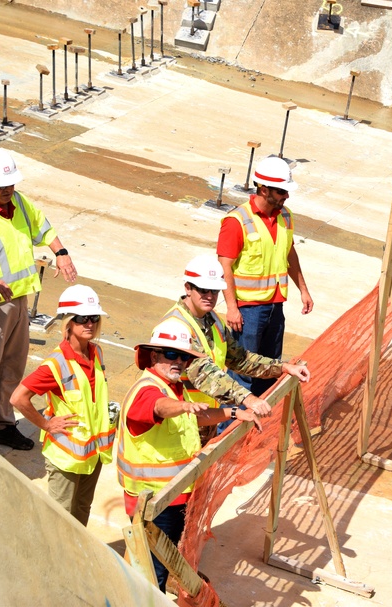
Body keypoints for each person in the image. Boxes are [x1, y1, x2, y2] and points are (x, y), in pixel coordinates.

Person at [116, 318, 261, 592]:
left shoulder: (172, 386)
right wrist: (181, 406)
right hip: (155, 503)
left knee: (161, 564)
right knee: (151, 573)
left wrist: (233, 412)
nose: (179, 362)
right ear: (155, 356)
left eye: (183, 357)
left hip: (173, 496)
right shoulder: (150, 390)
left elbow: (198, 416)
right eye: (172, 355)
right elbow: (159, 408)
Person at [0, 147, 78, 450]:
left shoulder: (17, 202)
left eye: (11, 184)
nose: (8, 190)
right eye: (1, 187)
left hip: (19, 301)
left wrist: (62, 253)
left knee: (13, 367)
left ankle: (2, 424)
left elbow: (43, 225)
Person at [161, 254, 310, 427]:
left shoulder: (212, 320)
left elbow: (240, 358)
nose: (210, 296)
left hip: (203, 419)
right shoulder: (175, 328)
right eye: (203, 290)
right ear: (188, 288)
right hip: (177, 424)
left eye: (215, 291)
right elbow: (205, 374)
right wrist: (247, 398)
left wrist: (283, 367)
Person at [8, 285, 112, 525]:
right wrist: (46, 424)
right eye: (82, 319)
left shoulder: (97, 353)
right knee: (59, 520)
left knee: (81, 512)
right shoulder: (56, 363)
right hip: (66, 458)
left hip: (92, 455)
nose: (90, 324)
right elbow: (18, 398)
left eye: (94, 318)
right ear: (68, 323)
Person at [217, 155, 313, 396]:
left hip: (274, 308)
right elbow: (224, 267)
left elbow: (290, 254)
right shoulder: (237, 221)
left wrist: (303, 290)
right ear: (263, 188)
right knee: (243, 375)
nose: (286, 196)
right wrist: (231, 308)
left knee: (270, 371)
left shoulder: (286, 216)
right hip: (247, 312)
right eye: (281, 191)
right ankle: (228, 430)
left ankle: (259, 431)